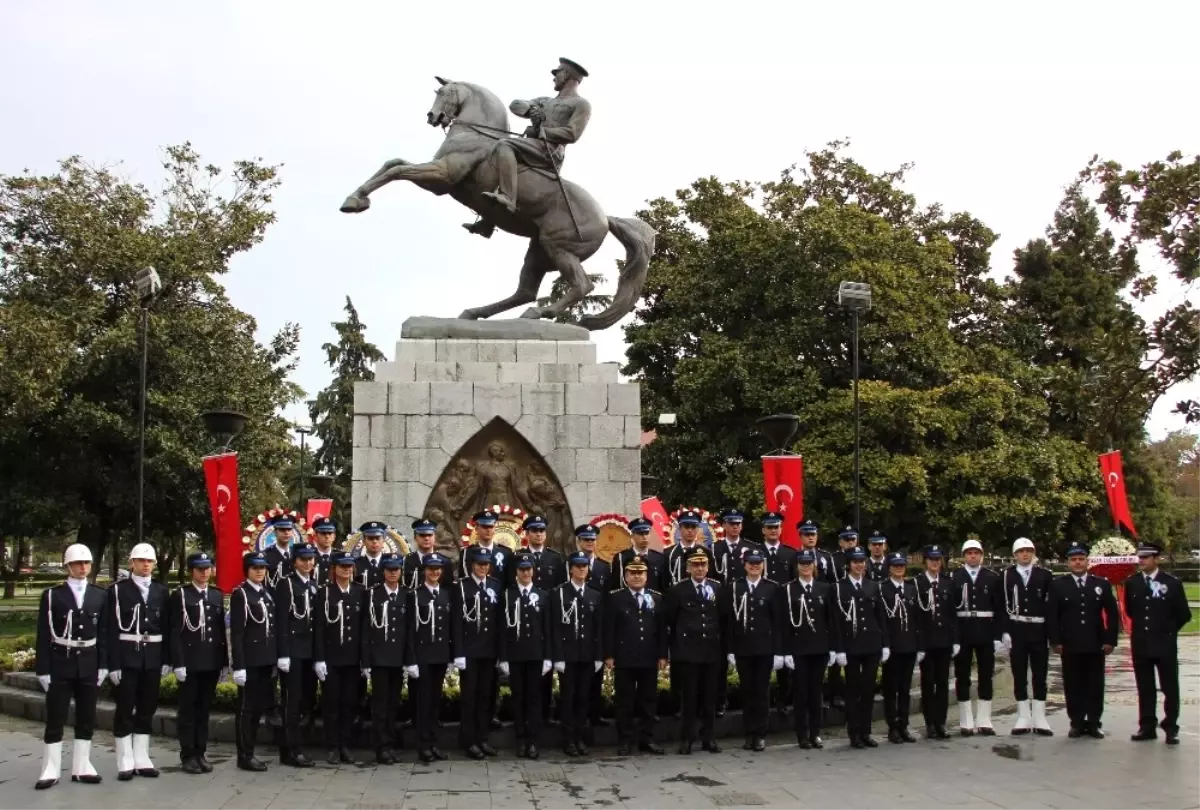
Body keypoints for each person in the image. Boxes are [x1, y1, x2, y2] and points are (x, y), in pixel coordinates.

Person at [464, 57, 592, 237]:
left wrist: (541, 129)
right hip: (533, 146)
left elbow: (573, 134)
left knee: (504, 145)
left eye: (558, 73)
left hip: (550, 151)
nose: (554, 77)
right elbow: (515, 104)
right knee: (499, 159)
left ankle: (508, 198)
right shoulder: (545, 101)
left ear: (568, 75)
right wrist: (528, 109)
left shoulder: (581, 104)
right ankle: (488, 222)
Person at [34, 543, 109, 790]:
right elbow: (44, 633)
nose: (82, 567)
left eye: (86, 563)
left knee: (86, 716)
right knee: (55, 716)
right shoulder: (53, 595)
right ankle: (50, 767)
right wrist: (43, 669)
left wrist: (104, 665)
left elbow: (105, 633)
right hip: (60, 661)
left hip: (89, 661)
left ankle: (82, 765)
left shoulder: (100, 595)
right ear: (68, 566)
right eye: (77, 563)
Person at [107, 543, 169, 781]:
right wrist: (113, 664)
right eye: (141, 560)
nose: (146, 564)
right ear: (131, 562)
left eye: (149, 561)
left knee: (147, 707)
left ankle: (142, 756)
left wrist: (166, 659)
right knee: (124, 707)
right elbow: (110, 629)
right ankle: (124, 758)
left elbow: (166, 627)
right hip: (127, 656)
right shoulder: (117, 591)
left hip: (151, 657)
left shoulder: (161, 591)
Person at [1047, 543, 1119, 738]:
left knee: (1095, 684)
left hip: (1095, 643)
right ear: (1068, 563)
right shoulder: (1058, 585)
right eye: (1073, 560)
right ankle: (1077, 722)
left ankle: (1094, 722)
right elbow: (1052, 615)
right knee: (1073, 684)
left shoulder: (1101, 584)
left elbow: (1112, 614)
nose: (1078, 563)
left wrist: (1110, 640)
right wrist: (1055, 641)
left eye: (1081, 559)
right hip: (1069, 644)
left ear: (1087, 561)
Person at [1124, 542, 1192, 745]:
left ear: (1157, 559)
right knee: (1145, 687)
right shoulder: (1133, 583)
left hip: (1164, 644)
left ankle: (1171, 727)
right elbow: (1130, 611)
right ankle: (1147, 726)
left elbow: (1183, 614)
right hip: (1141, 643)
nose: (1141, 560)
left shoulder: (1171, 583)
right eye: (1140, 557)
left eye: (1146, 557)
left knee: (1170, 687)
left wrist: (1168, 632)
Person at [169, 552, 226, 775]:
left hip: (210, 662)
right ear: (191, 571)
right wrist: (178, 662)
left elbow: (220, 632)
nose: (204, 572)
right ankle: (187, 755)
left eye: (207, 568)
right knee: (187, 711)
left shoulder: (216, 595)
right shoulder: (181, 595)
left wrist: (223, 662)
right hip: (190, 663)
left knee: (203, 711)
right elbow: (175, 631)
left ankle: (200, 752)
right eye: (199, 569)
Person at [721, 548, 783, 751]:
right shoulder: (734, 588)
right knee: (747, 692)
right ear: (744, 565)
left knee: (762, 692)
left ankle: (761, 733)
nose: (754, 566)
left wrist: (778, 651)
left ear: (763, 565)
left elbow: (777, 622)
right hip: (743, 647)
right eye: (750, 563)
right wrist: (730, 649)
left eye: (758, 563)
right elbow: (730, 621)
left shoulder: (772, 588)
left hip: (765, 648)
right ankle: (749, 734)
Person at [604, 558, 667, 756]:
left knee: (648, 701)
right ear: (625, 576)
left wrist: (663, 654)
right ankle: (625, 740)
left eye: (641, 573)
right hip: (625, 657)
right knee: (625, 701)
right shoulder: (615, 598)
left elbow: (662, 630)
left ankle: (646, 738)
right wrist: (609, 655)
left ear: (647, 576)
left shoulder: (656, 598)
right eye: (633, 573)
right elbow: (609, 629)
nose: (637, 577)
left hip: (649, 656)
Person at [665, 549, 723, 754]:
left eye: (703, 564)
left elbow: (722, 618)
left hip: (711, 652)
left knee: (710, 698)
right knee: (689, 699)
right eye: (695, 565)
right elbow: (670, 620)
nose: (699, 568)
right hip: (688, 653)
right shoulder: (677, 590)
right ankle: (687, 739)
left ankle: (709, 738)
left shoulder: (717, 587)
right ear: (688, 567)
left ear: (708, 566)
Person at [779, 549, 838, 749]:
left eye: (808, 564)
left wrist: (833, 648)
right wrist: (785, 651)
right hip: (799, 649)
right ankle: (802, 734)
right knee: (801, 693)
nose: (805, 567)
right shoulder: (788, 589)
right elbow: (784, 624)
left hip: (820, 648)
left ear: (814, 566)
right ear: (797, 567)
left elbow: (831, 620)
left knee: (816, 692)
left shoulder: (824, 588)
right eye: (802, 564)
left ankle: (816, 732)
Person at [831, 546, 889, 749]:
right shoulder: (839, 587)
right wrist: (838, 649)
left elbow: (880, 617)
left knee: (868, 690)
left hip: (871, 644)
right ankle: (854, 732)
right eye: (855, 562)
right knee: (852, 690)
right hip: (851, 646)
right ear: (848, 564)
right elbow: (836, 622)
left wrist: (885, 644)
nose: (859, 565)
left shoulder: (873, 586)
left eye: (861, 561)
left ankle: (866, 731)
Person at [550, 551, 604, 756]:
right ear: (571, 569)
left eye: (584, 566)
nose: (582, 569)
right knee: (568, 698)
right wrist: (558, 656)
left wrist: (599, 655)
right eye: (578, 566)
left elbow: (598, 629)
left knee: (584, 698)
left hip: (587, 654)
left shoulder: (594, 595)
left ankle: (580, 737)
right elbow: (554, 627)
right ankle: (568, 739)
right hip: (568, 655)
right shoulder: (559, 593)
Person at [314, 550, 366, 764]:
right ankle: (332, 746)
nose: (346, 569)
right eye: (342, 565)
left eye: (349, 566)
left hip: (353, 659)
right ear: (333, 568)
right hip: (331, 657)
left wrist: (365, 660)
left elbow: (365, 629)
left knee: (349, 704)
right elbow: (318, 628)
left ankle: (345, 744)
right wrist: (319, 658)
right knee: (331, 704)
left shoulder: (360, 592)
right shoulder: (324, 593)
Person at [499, 554, 552, 758]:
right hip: (515, 654)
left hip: (536, 655)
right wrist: (503, 657)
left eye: (529, 569)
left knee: (534, 699)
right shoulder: (508, 595)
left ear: (533, 571)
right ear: (516, 572)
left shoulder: (543, 595)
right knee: (518, 698)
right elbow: (502, 628)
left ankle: (533, 740)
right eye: (522, 569)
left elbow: (548, 628)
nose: (526, 573)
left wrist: (548, 656)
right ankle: (520, 739)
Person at [229, 551, 278, 772]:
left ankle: (251, 751)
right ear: (247, 570)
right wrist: (238, 665)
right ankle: (244, 755)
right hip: (250, 661)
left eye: (263, 568)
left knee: (257, 709)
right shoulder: (241, 594)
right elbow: (237, 633)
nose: (260, 571)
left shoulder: (265, 593)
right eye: (255, 568)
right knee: (246, 710)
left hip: (265, 660)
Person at [950, 538, 1004, 735]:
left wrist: (998, 636)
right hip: (963, 630)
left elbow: (999, 608)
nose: (973, 556)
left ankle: (984, 718)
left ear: (981, 555)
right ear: (964, 556)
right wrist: (954, 638)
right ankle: (966, 720)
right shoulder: (955, 577)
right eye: (969, 553)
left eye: (976, 553)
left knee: (986, 675)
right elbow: (951, 611)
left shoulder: (992, 577)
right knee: (962, 675)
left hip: (985, 630)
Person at [452, 546, 502, 759]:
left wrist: (501, 653)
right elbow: (456, 622)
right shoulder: (462, 587)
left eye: (486, 564)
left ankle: (482, 739)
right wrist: (458, 652)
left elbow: (500, 623)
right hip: (470, 651)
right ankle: (468, 740)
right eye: (479, 564)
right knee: (469, 698)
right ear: (472, 565)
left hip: (489, 651)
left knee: (486, 697)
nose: (482, 567)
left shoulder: (495, 585)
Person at [1002, 537, 1054, 736]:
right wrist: (1004, 631)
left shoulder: (1045, 575)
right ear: (1014, 555)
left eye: (1028, 550)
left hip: (1039, 629)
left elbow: (1051, 607)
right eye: (1021, 551)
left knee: (1040, 675)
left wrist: (1052, 634)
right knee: (1019, 674)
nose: (1025, 554)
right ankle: (1023, 716)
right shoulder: (1006, 576)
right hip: (1017, 629)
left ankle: (1040, 717)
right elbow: (1001, 605)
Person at [362, 552, 409, 764]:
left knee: (393, 703)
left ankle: (390, 742)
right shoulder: (372, 595)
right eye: (389, 569)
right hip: (379, 658)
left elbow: (409, 632)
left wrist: (410, 660)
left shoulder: (406, 595)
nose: (392, 573)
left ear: (400, 571)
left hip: (397, 658)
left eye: (396, 569)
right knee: (380, 705)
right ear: (383, 572)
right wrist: (365, 661)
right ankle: (381, 746)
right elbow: (365, 630)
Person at [275, 541, 318, 767]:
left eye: (311, 559)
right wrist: (283, 653)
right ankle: (291, 750)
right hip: (292, 652)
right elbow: (282, 621)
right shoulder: (286, 585)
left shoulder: (312, 585)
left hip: (308, 652)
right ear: (294, 562)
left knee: (304, 703)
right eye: (304, 559)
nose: (308, 563)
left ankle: (295, 747)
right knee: (291, 703)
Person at [408, 552, 453, 763]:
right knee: (423, 703)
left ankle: (433, 742)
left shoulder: (445, 595)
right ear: (424, 571)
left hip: (440, 656)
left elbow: (449, 627)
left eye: (437, 569)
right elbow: (410, 631)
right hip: (423, 656)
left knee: (435, 702)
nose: (434, 572)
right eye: (430, 569)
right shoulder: (415, 596)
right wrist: (411, 659)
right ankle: (423, 744)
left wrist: (452, 655)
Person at [914, 544, 957, 739]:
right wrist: (919, 644)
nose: (935, 563)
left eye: (938, 559)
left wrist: (955, 640)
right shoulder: (918, 583)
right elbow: (917, 617)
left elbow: (953, 614)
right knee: (927, 683)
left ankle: (941, 722)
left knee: (942, 683)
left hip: (944, 641)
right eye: (931, 559)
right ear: (925, 562)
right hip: (927, 641)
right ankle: (929, 723)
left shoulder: (948, 583)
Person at [878, 551, 920, 743]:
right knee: (891, 688)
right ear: (889, 568)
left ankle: (903, 725)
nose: (898, 568)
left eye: (901, 565)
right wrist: (885, 645)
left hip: (909, 645)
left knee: (905, 689)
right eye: (895, 565)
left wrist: (920, 645)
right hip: (893, 647)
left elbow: (917, 619)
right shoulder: (883, 589)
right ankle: (892, 726)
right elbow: (882, 621)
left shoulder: (911, 588)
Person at [575, 523, 612, 730]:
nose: (590, 543)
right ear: (579, 542)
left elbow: (607, 598)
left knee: (595, 676)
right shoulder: (569, 564)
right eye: (586, 539)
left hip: (596, 624)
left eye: (592, 540)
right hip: (576, 625)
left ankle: (595, 714)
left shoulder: (603, 567)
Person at [610, 517, 669, 593]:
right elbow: (616, 586)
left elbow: (664, 587)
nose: (644, 537)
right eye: (640, 533)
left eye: (646, 533)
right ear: (632, 536)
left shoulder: (660, 558)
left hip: (653, 601)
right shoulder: (621, 558)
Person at [711, 508, 760, 583]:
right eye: (732, 523)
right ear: (723, 525)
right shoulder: (715, 548)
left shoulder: (752, 547)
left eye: (738, 524)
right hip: (723, 592)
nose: (735, 527)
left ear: (742, 525)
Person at [407, 518, 455, 588]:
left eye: (430, 535)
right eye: (422, 535)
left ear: (435, 537)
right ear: (415, 538)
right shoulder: (407, 560)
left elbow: (449, 590)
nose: (426, 538)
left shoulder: (445, 562)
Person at [263, 515, 296, 588]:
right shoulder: (266, 555)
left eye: (289, 529)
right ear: (275, 532)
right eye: (282, 529)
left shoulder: (297, 553)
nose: (286, 532)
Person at [354, 521, 389, 589]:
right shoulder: (355, 564)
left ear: (383, 540)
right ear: (364, 541)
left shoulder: (389, 563)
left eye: (378, 538)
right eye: (370, 538)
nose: (374, 541)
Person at [311, 517, 338, 587]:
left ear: (334, 536)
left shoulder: (339, 557)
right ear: (316, 536)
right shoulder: (309, 556)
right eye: (323, 533)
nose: (327, 536)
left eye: (330, 533)